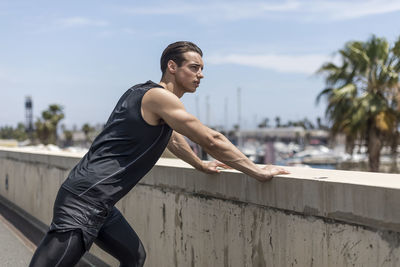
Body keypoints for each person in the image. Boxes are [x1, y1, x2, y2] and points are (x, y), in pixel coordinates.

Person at [29, 41, 290, 267]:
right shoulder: (159, 97)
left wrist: (199, 164)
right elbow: (211, 139)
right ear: (172, 67)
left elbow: (173, 139)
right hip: (84, 202)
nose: (201, 75)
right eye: (194, 67)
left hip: (99, 204)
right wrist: (257, 170)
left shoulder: (142, 93)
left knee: (134, 256)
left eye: (202, 69)